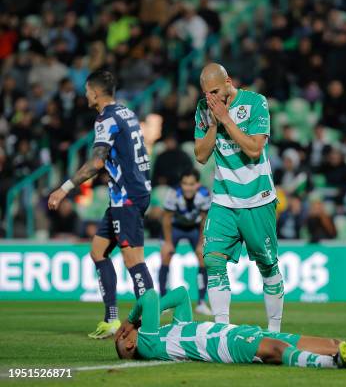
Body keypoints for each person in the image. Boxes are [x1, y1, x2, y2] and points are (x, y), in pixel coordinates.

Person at [48, 69, 154, 339]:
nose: (85, 95)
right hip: (129, 192)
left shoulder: (105, 119)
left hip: (127, 195)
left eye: (86, 90)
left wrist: (64, 189)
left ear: (95, 92)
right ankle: (111, 320)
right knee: (98, 251)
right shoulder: (126, 112)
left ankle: (151, 324)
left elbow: (96, 162)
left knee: (134, 261)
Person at [114, 286, 346, 368]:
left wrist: (135, 320)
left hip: (234, 333)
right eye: (122, 339)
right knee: (277, 350)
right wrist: (130, 320)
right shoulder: (148, 343)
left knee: (332, 340)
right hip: (225, 346)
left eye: (124, 332)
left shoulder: (170, 334)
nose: (123, 334)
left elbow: (182, 295)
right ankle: (330, 364)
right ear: (130, 346)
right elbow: (152, 296)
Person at [193, 63, 284, 331]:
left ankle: (275, 330)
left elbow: (255, 149)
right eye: (206, 93)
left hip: (258, 198)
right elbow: (200, 155)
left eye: (215, 91)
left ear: (229, 82)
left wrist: (226, 119)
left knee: (267, 265)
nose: (210, 98)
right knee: (212, 259)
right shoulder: (204, 108)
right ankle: (221, 329)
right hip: (224, 199)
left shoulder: (256, 102)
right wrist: (212, 124)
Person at [159, 168, 212, 315]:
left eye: (191, 184)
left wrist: (201, 243)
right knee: (165, 254)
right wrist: (168, 242)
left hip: (194, 228)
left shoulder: (204, 194)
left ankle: (201, 302)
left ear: (197, 184)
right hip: (176, 227)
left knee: (202, 257)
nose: (188, 187)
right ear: (180, 184)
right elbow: (166, 219)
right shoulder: (173, 193)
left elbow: (204, 220)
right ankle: (163, 302)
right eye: (185, 184)